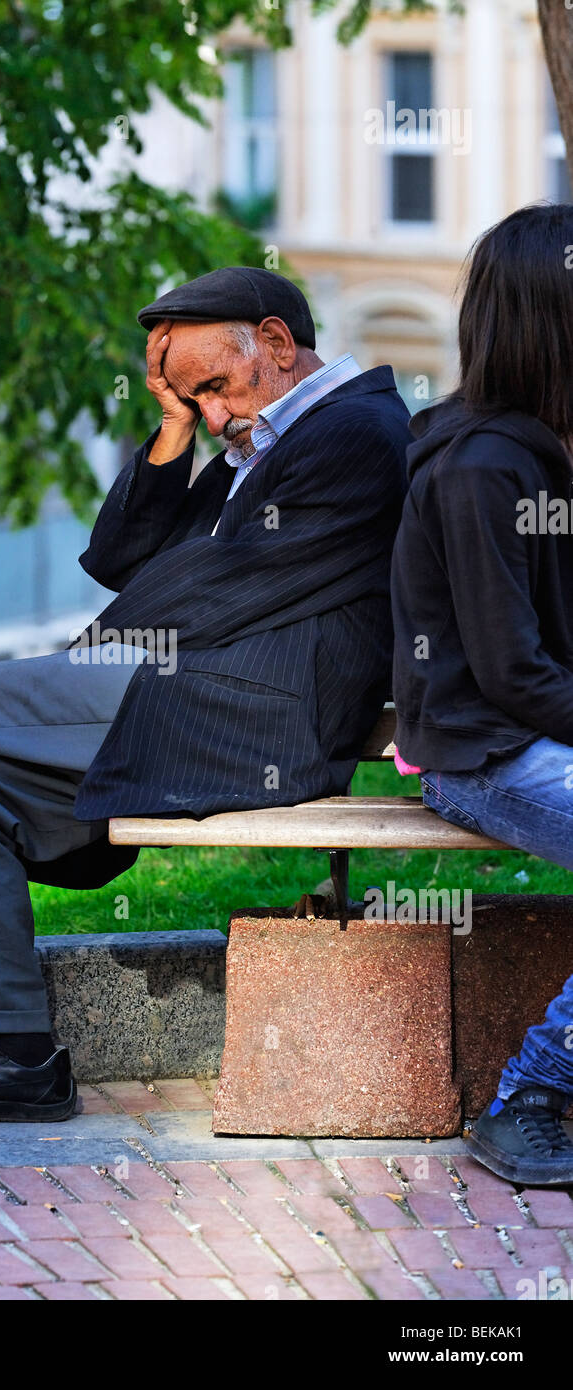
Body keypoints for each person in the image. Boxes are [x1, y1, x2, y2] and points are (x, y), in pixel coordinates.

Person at [0, 266, 410, 1126]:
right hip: (192, 694)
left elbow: (223, 588)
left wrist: (94, 650)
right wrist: (173, 427)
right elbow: (122, 557)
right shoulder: (254, 443)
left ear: (278, 343)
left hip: (255, 722)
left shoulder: (356, 431)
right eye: (189, 397)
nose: (212, 413)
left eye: (214, 385)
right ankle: (14, 1061)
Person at [391, 203, 573, 1185]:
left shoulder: (538, 450)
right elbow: (513, 674)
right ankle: (526, 1100)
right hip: (481, 755)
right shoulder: (481, 467)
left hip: (530, 736)